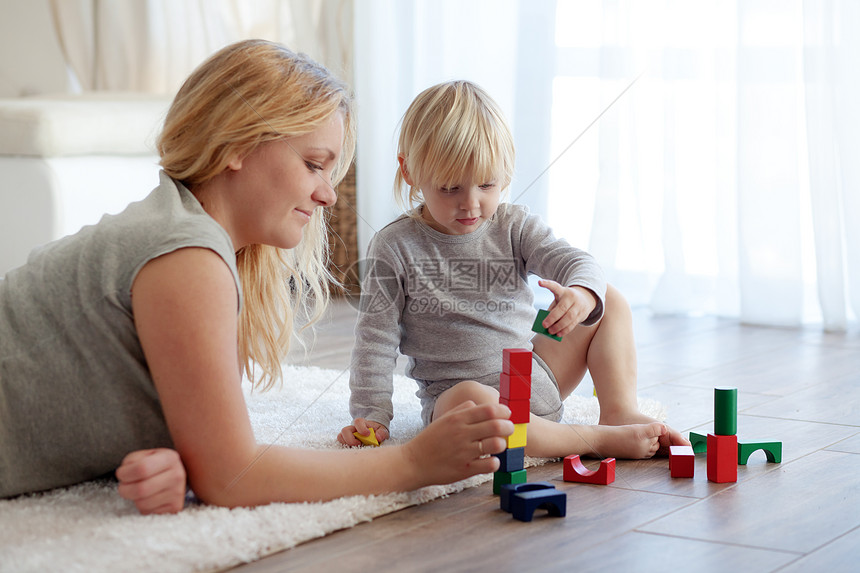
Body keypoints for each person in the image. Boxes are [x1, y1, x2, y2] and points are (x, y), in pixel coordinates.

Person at [0, 41, 514, 515]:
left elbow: (200, 446)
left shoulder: (183, 234)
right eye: (315, 165)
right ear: (237, 146)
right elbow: (232, 478)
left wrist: (183, 456)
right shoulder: (186, 255)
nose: (328, 196)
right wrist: (412, 464)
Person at [338, 80, 688, 460]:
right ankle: (594, 439)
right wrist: (371, 414)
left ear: (505, 173)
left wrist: (583, 295)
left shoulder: (514, 225)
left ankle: (617, 411)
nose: (471, 204)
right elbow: (374, 340)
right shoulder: (395, 246)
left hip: (535, 376)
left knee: (609, 298)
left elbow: (578, 263)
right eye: (450, 188)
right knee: (471, 398)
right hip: (460, 402)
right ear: (409, 171)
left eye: (486, 184)